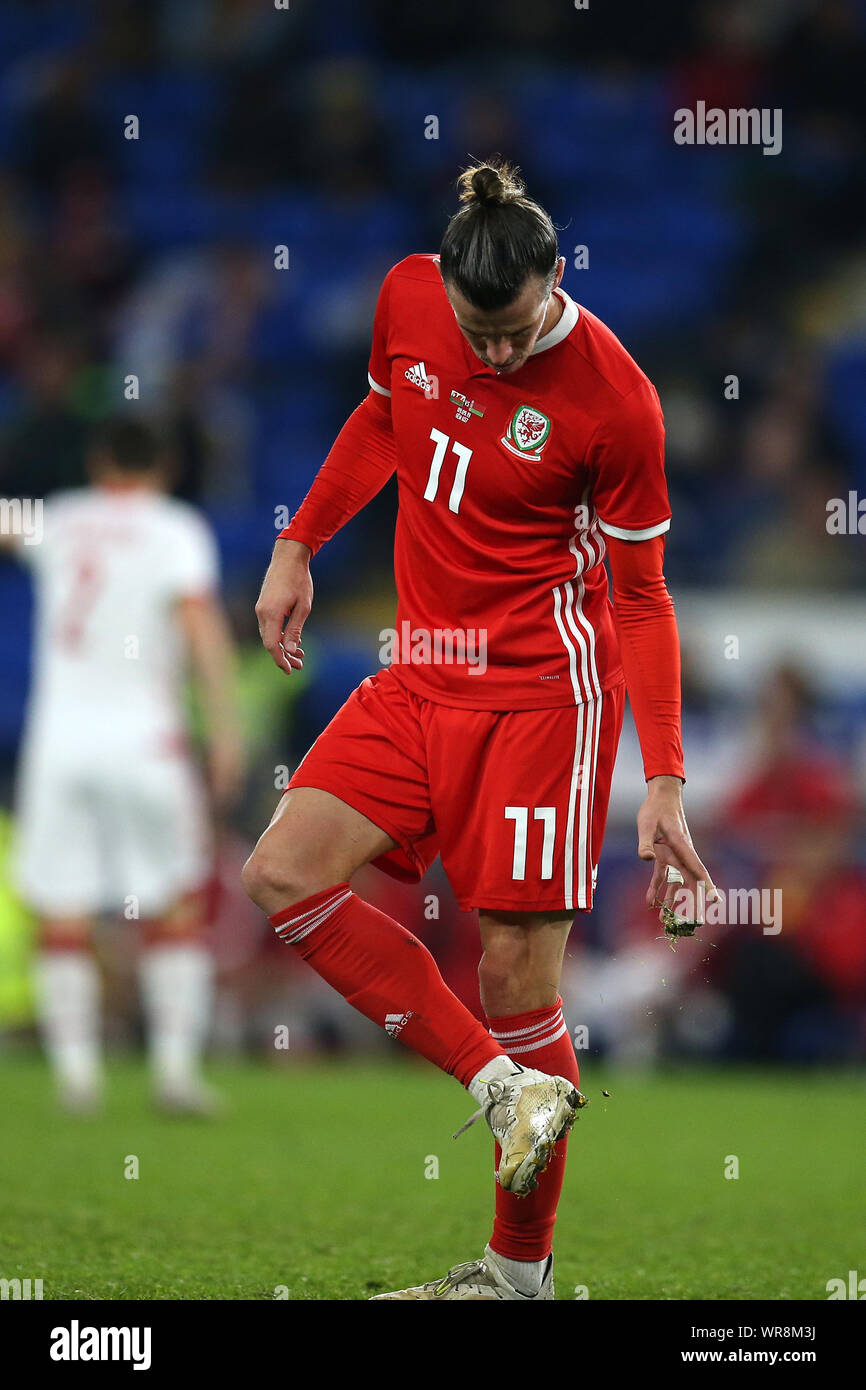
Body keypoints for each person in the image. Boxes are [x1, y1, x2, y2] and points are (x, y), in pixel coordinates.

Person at [245, 159, 715, 1300]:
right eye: (475, 333)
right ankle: (502, 1087)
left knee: (513, 974)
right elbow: (380, 415)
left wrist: (663, 778)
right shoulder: (408, 292)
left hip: (541, 699)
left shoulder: (616, 398)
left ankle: (515, 1278)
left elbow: (642, 599)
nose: (492, 354)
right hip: (419, 670)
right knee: (280, 875)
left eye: (510, 335)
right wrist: (299, 541)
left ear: (555, 278)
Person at [7, 417, 244, 1113]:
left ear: (95, 461)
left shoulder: (59, 516)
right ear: (164, 466)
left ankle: (77, 1079)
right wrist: (225, 731)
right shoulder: (175, 529)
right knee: (173, 901)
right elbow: (200, 626)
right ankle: (175, 1074)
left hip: (59, 745)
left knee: (64, 908)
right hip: (146, 741)